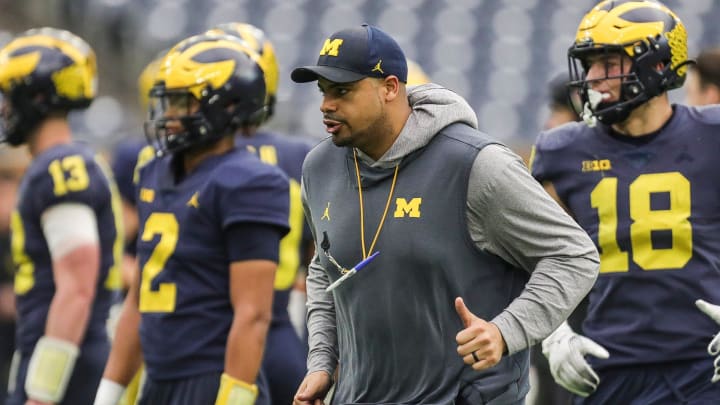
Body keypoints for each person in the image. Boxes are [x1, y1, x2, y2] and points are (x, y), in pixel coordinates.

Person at [290, 23, 599, 404]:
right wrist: (322, 361)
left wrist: (506, 332)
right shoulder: (318, 167)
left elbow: (574, 256)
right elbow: (325, 267)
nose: (326, 105)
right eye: (323, 92)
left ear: (389, 88)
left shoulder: (475, 164)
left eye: (342, 91)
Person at [530, 1, 720, 403]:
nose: (594, 78)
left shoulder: (713, 136)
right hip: (603, 366)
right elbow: (531, 257)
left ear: (656, 64)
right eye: (590, 64)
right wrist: (553, 330)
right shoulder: (561, 151)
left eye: (608, 62)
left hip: (707, 364)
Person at [93, 33, 290, 405]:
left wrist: (233, 397)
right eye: (168, 102)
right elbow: (139, 298)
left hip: (211, 377)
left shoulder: (250, 180)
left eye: (182, 102)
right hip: (158, 376)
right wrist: (109, 390)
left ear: (226, 107)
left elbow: (253, 314)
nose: (168, 115)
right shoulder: (153, 170)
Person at [0, 27, 124, 405]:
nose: (4, 107)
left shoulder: (60, 166)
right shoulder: (64, 162)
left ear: (35, 96)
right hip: (64, 352)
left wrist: (43, 391)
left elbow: (77, 287)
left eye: (9, 95)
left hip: (66, 363)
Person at [207, 22, 313, 405]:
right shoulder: (300, 156)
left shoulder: (190, 160)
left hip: (205, 335)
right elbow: (318, 251)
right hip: (279, 328)